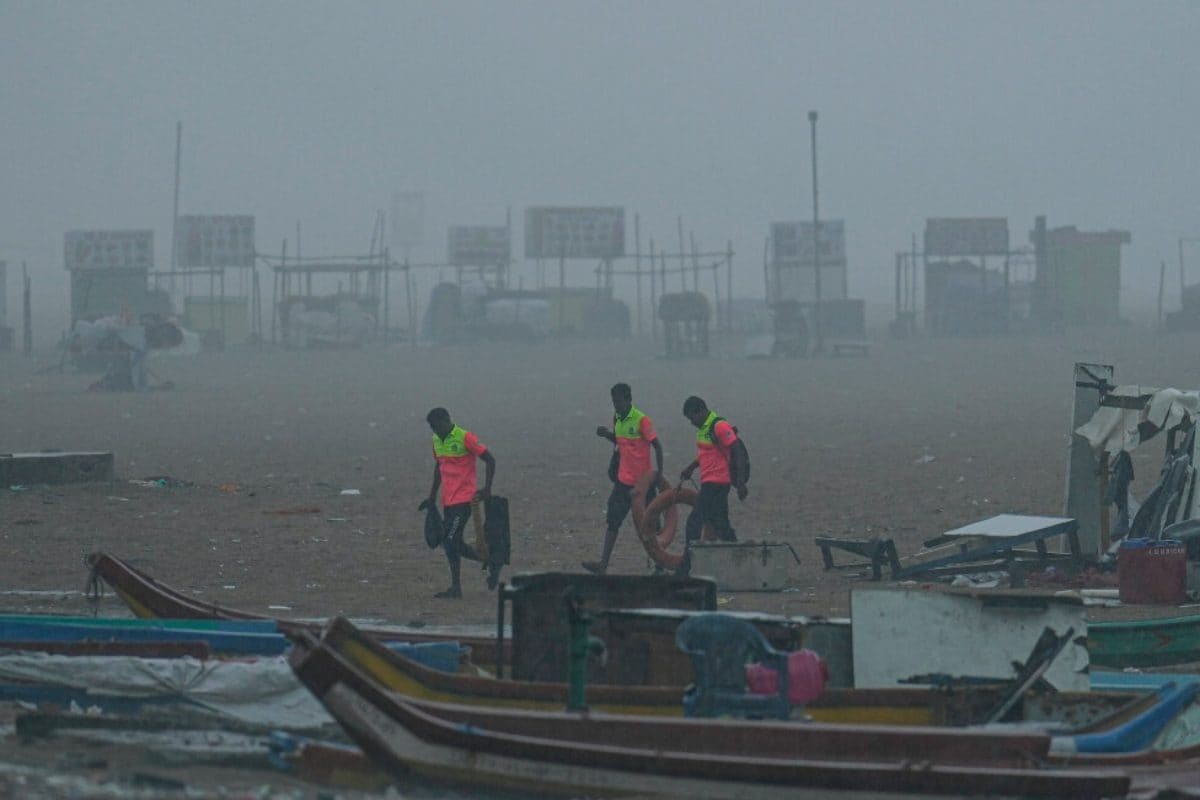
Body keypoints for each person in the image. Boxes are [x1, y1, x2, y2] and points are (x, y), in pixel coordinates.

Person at [583, 383, 664, 575]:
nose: (616, 406)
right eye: (613, 402)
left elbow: (657, 446)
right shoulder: (617, 418)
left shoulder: (642, 420)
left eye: (619, 402)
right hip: (623, 482)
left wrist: (659, 475)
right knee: (613, 522)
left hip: (643, 484)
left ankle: (661, 564)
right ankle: (603, 565)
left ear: (628, 399)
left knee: (652, 524)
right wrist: (607, 435)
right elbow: (621, 441)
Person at [420, 407, 496, 599]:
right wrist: (431, 497)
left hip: (465, 500)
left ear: (446, 420)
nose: (434, 431)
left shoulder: (465, 437)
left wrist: (487, 489)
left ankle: (457, 586)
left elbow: (490, 460)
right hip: (448, 500)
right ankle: (487, 560)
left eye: (436, 426)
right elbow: (439, 468)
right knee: (454, 543)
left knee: (450, 541)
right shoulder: (436, 441)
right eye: (431, 428)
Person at [680, 396, 748, 544]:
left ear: (701, 411)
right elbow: (707, 454)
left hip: (718, 483)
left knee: (694, 522)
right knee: (720, 523)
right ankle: (736, 551)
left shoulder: (719, 426)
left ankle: (687, 563)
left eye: (692, 418)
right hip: (708, 482)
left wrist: (741, 482)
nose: (692, 423)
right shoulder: (702, 430)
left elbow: (737, 452)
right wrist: (690, 468)